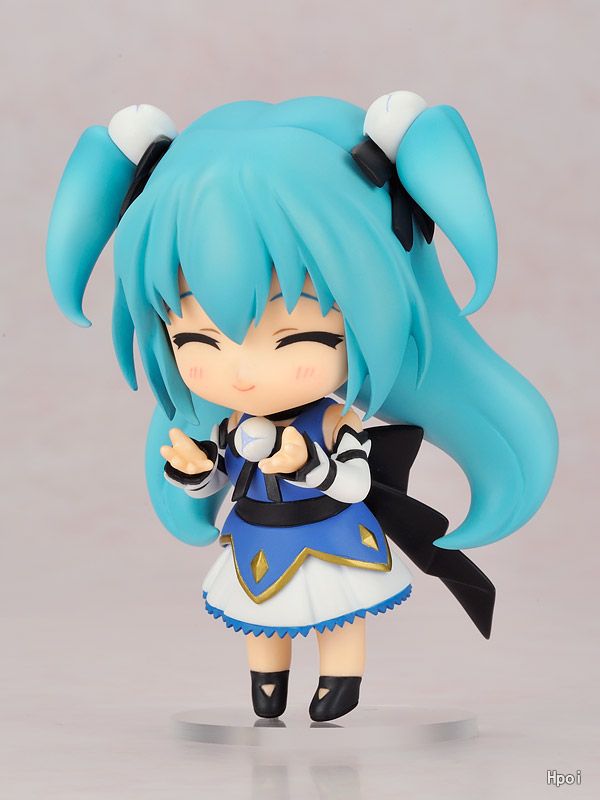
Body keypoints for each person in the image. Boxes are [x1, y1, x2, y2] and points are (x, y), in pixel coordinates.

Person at [46, 93, 558, 722]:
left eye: (294, 338)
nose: (242, 371)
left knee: (334, 614)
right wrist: (194, 471)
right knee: (263, 618)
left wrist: (306, 463)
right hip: (258, 537)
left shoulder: (335, 421)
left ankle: (340, 681)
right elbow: (221, 476)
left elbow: (356, 482)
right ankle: (268, 685)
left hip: (328, 534)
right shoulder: (231, 422)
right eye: (198, 339)